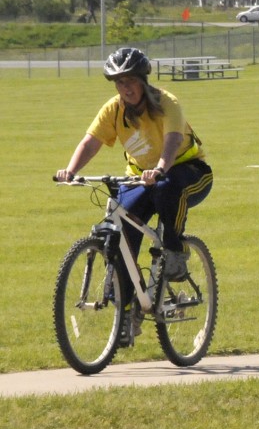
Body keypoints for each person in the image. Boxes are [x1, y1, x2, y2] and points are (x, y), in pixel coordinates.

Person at [54, 47, 214, 333]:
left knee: (168, 188)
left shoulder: (166, 102)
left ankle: (175, 251)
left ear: (143, 80)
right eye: (119, 82)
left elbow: (174, 139)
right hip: (140, 178)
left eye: (129, 81)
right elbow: (91, 142)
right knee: (119, 235)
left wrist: (162, 167)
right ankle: (129, 310)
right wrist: (71, 170)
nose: (124, 88)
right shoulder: (114, 109)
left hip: (188, 170)